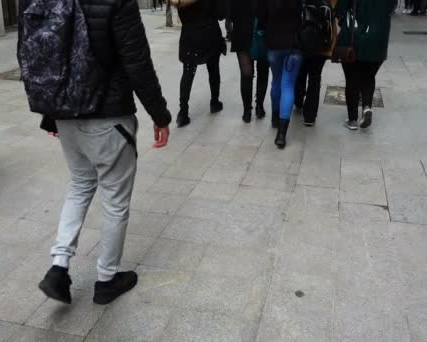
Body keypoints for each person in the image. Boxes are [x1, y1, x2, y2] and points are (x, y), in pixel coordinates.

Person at [28, 0, 172, 305]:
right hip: (108, 117)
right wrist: (160, 115)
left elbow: (51, 57)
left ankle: (58, 266)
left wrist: (51, 113)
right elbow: (137, 63)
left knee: (79, 186)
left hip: (66, 114)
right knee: (115, 201)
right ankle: (107, 279)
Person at [335, 0, 393, 130]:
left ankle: (352, 120)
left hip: (353, 39)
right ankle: (366, 107)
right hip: (379, 41)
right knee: (368, 76)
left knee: (351, 79)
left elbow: (339, 10)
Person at [258, 0, 302, 148]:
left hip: (273, 43)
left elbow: (261, 17)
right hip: (294, 44)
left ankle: (275, 119)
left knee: (276, 81)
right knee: (288, 85)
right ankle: (281, 134)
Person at [176, 0, 227, 128]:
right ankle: (214, 102)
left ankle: (183, 112)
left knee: (187, 72)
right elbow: (221, 14)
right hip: (210, 33)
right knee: (213, 69)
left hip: (189, 34)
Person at [295, 0, 338, 127]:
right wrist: (332, 47)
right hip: (321, 47)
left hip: (302, 44)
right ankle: (309, 116)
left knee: (301, 72)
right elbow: (332, 23)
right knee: (315, 78)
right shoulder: (327, 2)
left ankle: (298, 100)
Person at [230, 0, 269, 124]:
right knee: (263, 71)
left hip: (241, 32)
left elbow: (230, 13)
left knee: (246, 73)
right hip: (262, 32)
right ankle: (259, 107)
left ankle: (247, 111)